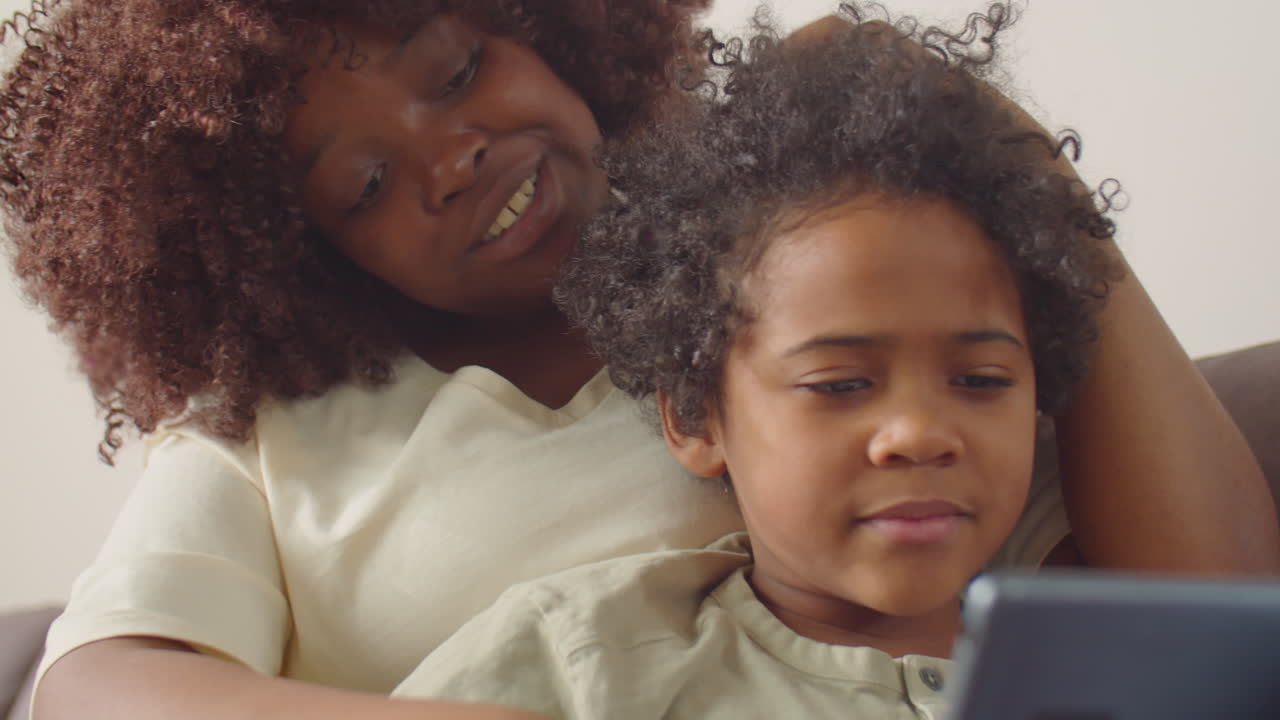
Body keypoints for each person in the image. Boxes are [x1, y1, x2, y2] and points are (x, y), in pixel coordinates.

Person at [0, 0, 1273, 719]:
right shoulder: (270, 435)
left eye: (457, 68)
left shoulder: (825, 302)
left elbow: (1211, 610)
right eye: (368, 181)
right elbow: (102, 692)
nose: (455, 158)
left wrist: (1005, 149)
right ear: (293, 248)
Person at [391, 7, 1181, 717]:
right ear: (697, 416)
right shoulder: (579, 656)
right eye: (840, 384)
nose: (919, 433)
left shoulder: (1105, 666)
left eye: (979, 381)